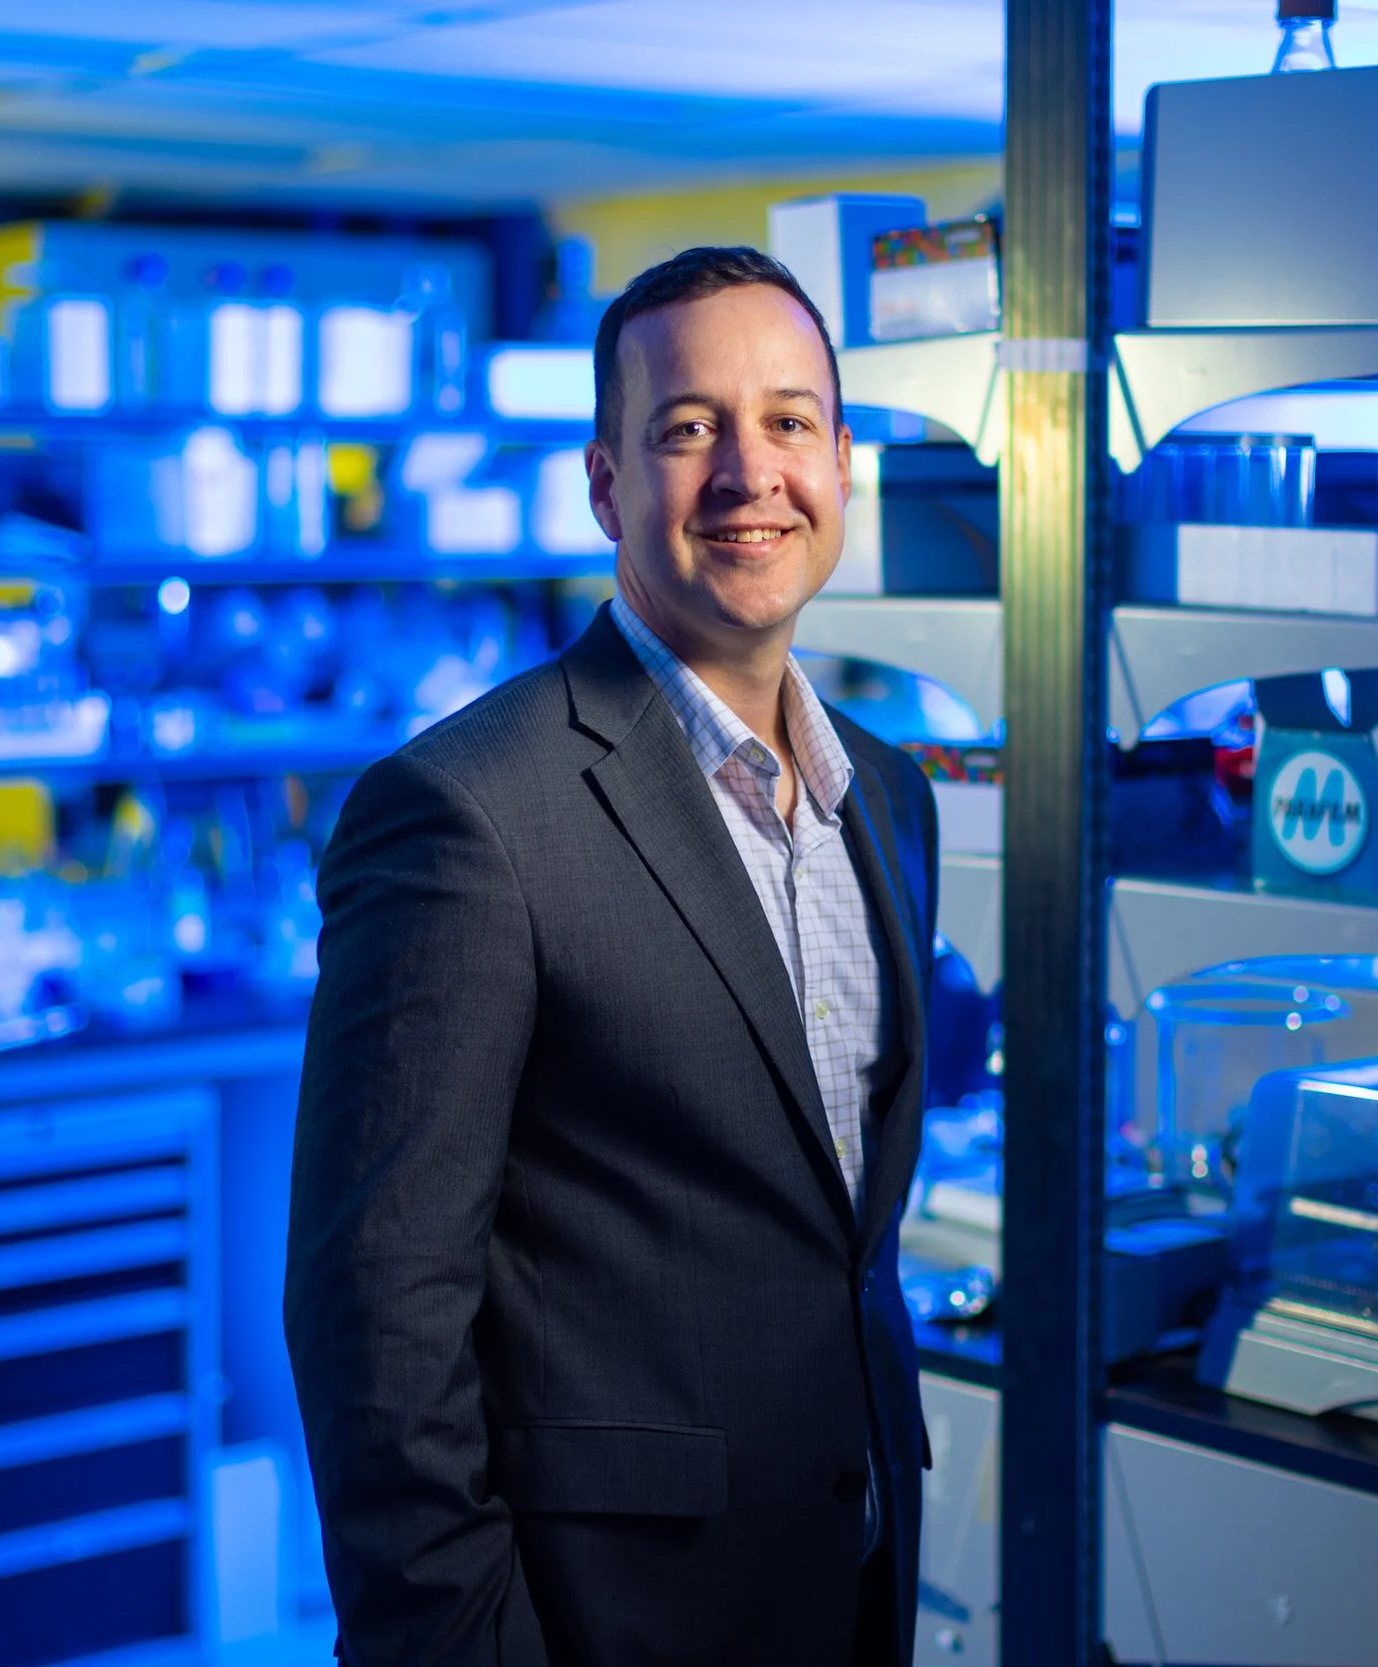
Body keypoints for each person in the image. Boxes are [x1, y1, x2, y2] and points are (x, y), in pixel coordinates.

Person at [286, 245, 936, 1667]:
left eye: (788, 421)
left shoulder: (888, 797)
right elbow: (375, 1320)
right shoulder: (467, 815)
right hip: (608, 1616)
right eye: (687, 427)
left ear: (844, 463)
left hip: (851, 1578)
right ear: (603, 485)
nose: (747, 472)